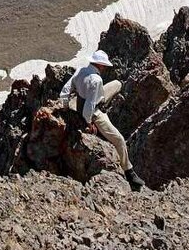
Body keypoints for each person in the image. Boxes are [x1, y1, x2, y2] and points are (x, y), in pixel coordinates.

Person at [60, 49, 145, 191]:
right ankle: (129, 171)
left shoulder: (81, 69)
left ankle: (109, 96)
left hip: (80, 101)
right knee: (119, 140)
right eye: (104, 65)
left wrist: (64, 107)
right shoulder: (96, 80)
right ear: (100, 65)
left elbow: (66, 89)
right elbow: (90, 106)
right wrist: (89, 123)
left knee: (117, 84)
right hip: (94, 112)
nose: (105, 68)